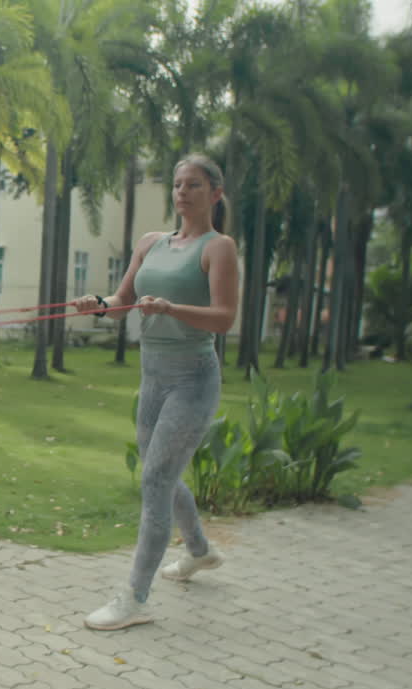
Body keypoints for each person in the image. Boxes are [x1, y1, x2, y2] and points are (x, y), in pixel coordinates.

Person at [71, 153, 239, 631]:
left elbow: (225, 317)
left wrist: (171, 306)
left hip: (193, 379)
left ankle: (135, 598)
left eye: (194, 185)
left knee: (156, 482)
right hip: (154, 376)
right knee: (159, 474)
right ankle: (200, 551)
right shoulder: (151, 243)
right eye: (178, 184)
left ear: (215, 194)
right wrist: (96, 305)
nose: (182, 192)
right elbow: (122, 304)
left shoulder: (218, 247)